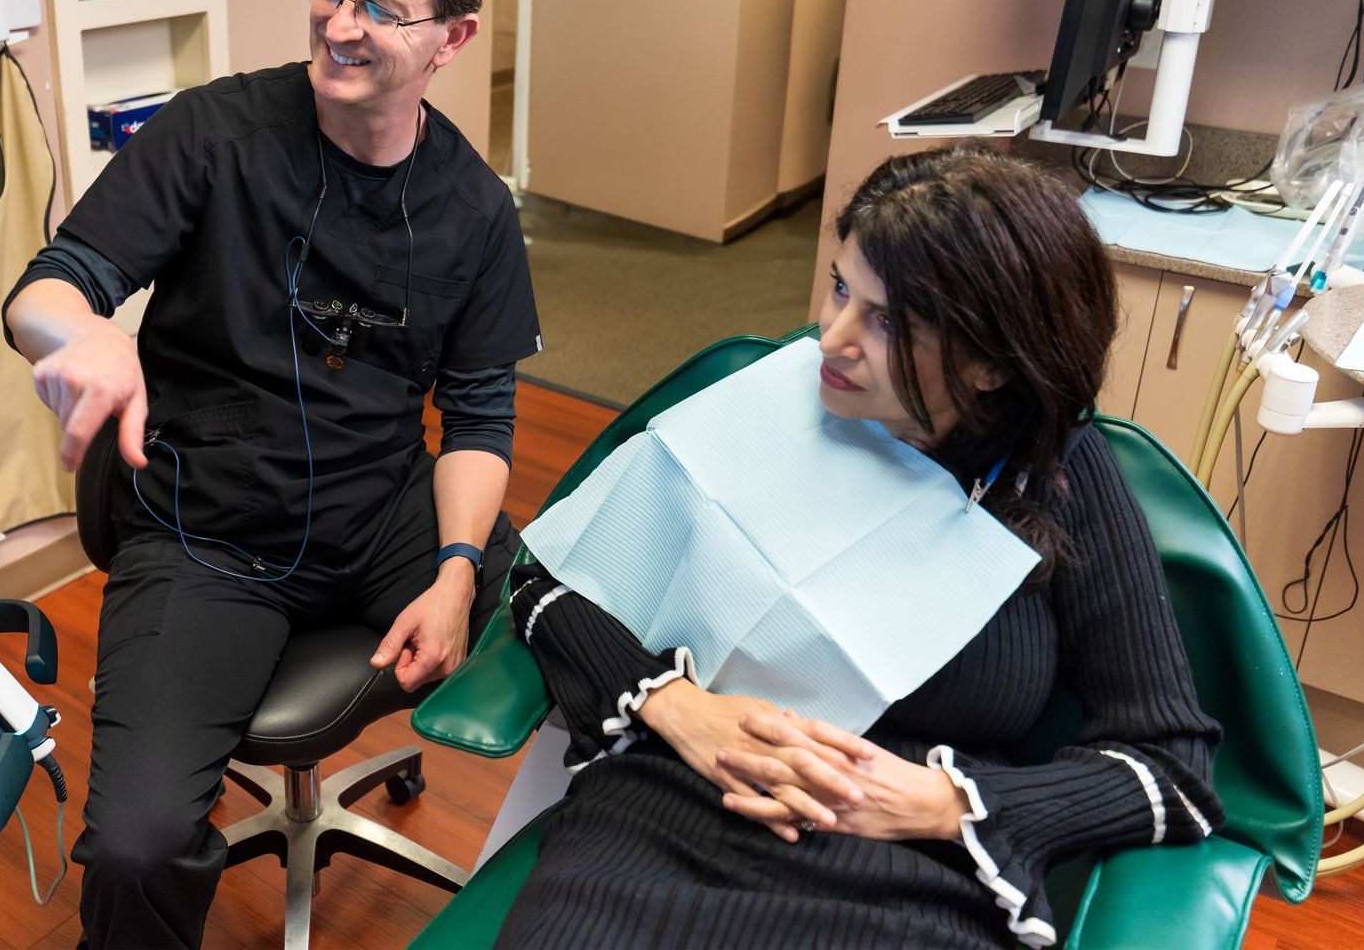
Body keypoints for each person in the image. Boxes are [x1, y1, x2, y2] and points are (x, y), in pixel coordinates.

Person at [498, 144, 1222, 950]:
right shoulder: (772, 401)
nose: (832, 338)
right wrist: (680, 710)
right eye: (841, 288)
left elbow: (1172, 771)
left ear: (990, 362)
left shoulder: (1052, 477)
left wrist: (945, 803)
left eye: (888, 321)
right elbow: (547, 583)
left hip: (905, 879)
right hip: (662, 822)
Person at [4, 0, 540, 949]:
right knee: (138, 845)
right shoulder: (214, 133)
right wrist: (87, 331)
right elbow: (43, 289)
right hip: (209, 533)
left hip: (382, 511)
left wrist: (450, 571)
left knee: (574, 623)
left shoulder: (476, 211)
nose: (339, 25)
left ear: (453, 36)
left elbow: (479, 417)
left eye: (379, 8)